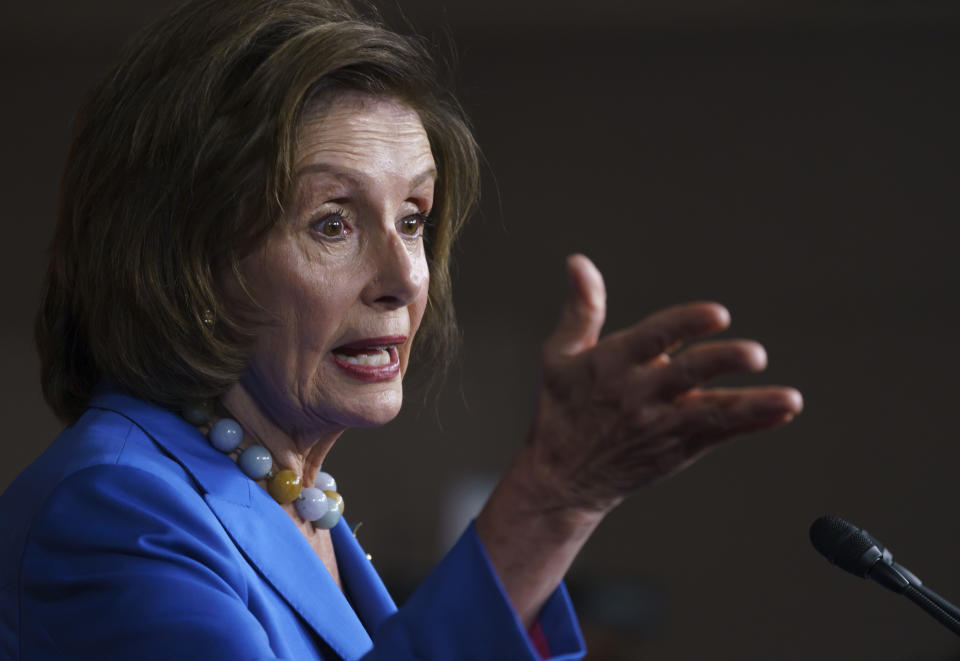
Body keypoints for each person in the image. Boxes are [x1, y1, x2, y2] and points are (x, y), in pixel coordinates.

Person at [0, 0, 803, 659]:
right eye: (332, 223)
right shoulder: (109, 511)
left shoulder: (294, 503)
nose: (406, 278)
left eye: (413, 217)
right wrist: (551, 503)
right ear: (185, 260)